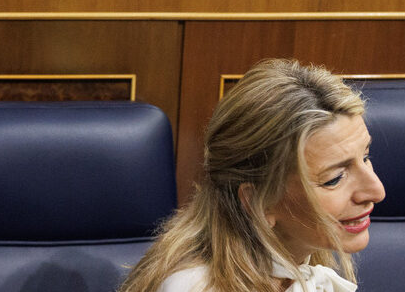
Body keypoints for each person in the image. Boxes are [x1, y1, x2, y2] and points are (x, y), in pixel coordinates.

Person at [119, 59, 386, 292]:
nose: (376, 191)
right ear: (257, 201)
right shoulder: (194, 287)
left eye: (365, 157)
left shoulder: (297, 260)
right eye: (334, 178)